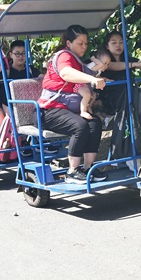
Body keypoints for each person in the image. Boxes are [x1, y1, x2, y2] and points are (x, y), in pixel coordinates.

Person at [38, 25, 109, 183]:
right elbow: (65, 73)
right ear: (69, 43)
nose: (84, 47)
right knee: (80, 126)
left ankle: (87, 168)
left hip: (66, 109)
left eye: (86, 43)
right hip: (48, 110)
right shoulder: (64, 56)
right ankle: (72, 171)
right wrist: (91, 79)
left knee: (94, 123)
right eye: (80, 43)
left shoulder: (77, 61)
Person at [99, 30, 141, 113]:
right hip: (110, 96)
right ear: (107, 46)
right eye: (114, 43)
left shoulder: (127, 58)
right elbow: (111, 66)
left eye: (121, 42)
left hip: (127, 95)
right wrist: (134, 64)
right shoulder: (104, 58)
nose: (118, 45)